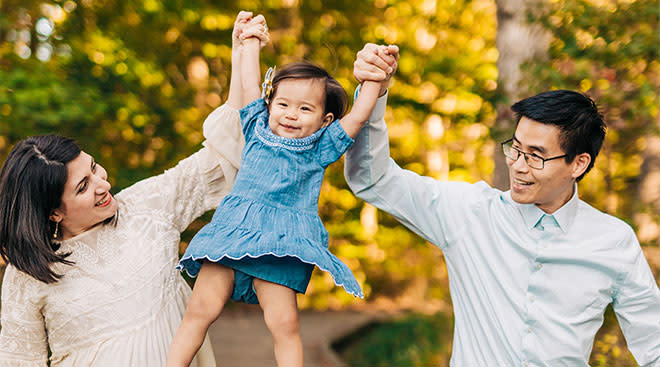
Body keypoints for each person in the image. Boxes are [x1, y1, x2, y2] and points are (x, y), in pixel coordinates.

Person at [347, 44, 660, 366]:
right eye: (516, 148)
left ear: (578, 164)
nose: (518, 165)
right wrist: (373, 92)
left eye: (536, 156)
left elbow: (654, 342)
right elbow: (373, 178)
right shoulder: (469, 213)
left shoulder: (613, 241)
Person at [0, 12, 269, 367]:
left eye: (94, 168)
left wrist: (242, 54)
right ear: (53, 211)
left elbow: (223, 153)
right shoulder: (28, 273)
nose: (102, 184)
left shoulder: (148, 204)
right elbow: (19, 362)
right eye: (83, 187)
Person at [166, 18, 392, 367]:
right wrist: (251, 41)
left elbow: (359, 116)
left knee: (285, 324)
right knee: (199, 310)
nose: (290, 114)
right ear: (270, 104)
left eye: (305, 109)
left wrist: (375, 79)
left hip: (282, 244)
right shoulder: (256, 126)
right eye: (283, 104)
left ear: (325, 120)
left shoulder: (321, 147)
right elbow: (249, 83)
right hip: (232, 232)